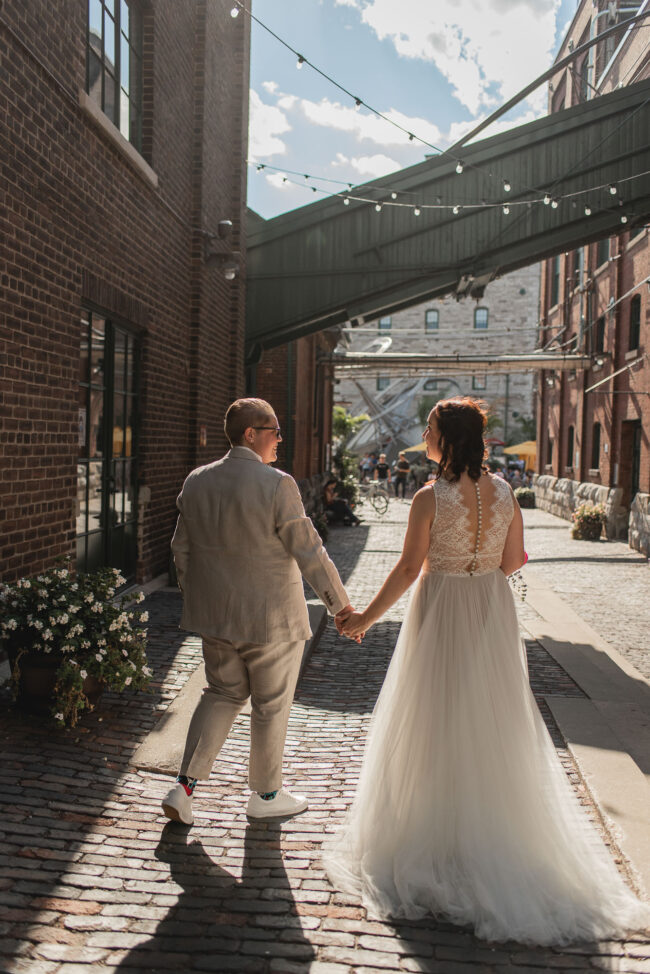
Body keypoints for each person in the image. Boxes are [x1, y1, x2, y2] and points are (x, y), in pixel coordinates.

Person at [325, 397, 649, 945]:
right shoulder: (506, 494)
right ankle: (486, 834)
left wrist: (363, 618)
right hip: (490, 611)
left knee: (433, 716)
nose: (424, 436)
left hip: (444, 607)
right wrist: (479, 558)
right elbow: (513, 560)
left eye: (429, 428)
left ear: (445, 439)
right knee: (490, 720)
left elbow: (408, 568)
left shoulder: (429, 498)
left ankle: (439, 836)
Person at [163, 398, 355, 826]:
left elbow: (181, 549)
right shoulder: (276, 483)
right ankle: (266, 796)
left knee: (221, 694)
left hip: (215, 618)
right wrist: (340, 607)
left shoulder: (196, 481)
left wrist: (199, 596)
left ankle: (184, 787)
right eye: (275, 430)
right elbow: (309, 550)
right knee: (270, 705)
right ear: (251, 433)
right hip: (271, 621)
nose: (279, 440)